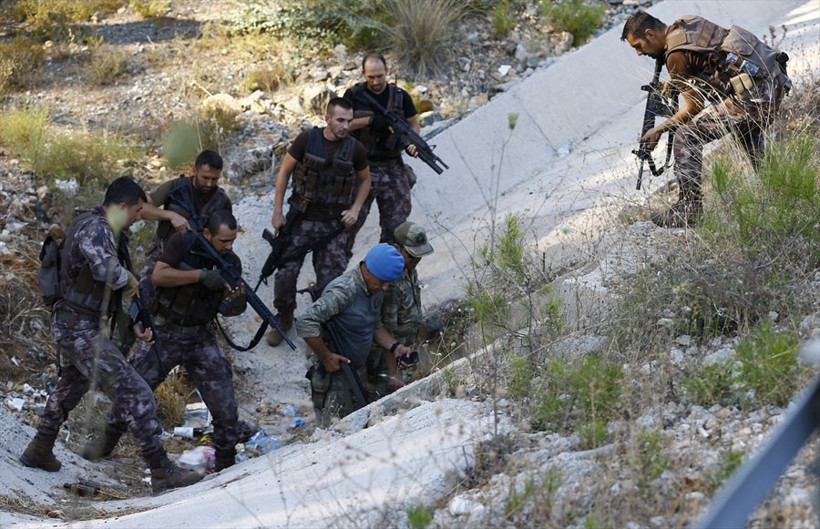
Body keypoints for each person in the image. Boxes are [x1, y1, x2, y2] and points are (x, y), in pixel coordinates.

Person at [20, 177, 202, 494]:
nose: (136, 218)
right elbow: (105, 270)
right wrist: (129, 278)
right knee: (137, 392)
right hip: (78, 327)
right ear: (120, 207)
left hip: (77, 324)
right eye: (136, 212)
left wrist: (130, 322)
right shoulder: (97, 228)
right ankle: (161, 471)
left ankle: (40, 448)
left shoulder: (97, 226)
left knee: (69, 388)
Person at [83, 210, 246, 473]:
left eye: (232, 241)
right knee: (133, 392)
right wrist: (201, 276)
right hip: (165, 330)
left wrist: (236, 303)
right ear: (207, 234)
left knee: (225, 403)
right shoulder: (182, 243)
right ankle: (106, 443)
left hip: (200, 336)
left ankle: (227, 462)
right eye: (223, 241)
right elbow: (159, 275)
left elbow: (226, 308)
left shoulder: (230, 263)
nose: (228, 247)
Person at [621, 12, 791, 227]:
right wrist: (678, 81)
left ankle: (689, 209)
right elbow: (713, 59)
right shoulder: (689, 23)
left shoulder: (675, 56)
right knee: (747, 134)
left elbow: (694, 108)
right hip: (773, 83)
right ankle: (779, 189)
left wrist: (659, 130)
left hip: (754, 97)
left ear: (650, 34)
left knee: (686, 136)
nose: (638, 53)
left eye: (638, 46)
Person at [266, 97, 371, 347]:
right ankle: (284, 317)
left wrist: (355, 210)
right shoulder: (307, 139)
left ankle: (322, 322)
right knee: (285, 274)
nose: (345, 126)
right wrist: (278, 211)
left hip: (333, 224)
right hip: (301, 219)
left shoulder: (355, 149)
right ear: (327, 118)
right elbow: (284, 172)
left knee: (331, 280)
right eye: (340, 120)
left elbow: (365, 180)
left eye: (349, 121)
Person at [296, 243, 409, 427]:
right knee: (334, 432)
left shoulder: (375, 289)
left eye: (389, 282)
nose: (386, 287)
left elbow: (375, 326)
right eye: (383, 281)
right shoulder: (344, 291)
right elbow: (305, 321)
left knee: (360, 426)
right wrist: (326, 357)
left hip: (356, 372)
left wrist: (395, 347)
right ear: (367, 271)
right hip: (333, 378)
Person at [342, 53, 420, 260]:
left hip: (393, 165)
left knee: (396, 225)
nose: (375, 82)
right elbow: (340, 124)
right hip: (362, 167)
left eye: (379, 76)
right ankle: (332, 275)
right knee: (349, 223)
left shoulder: (400, 96)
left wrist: (412, 141)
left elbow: (413, 121)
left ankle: (385, 271)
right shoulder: (353, 95)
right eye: (371, 77)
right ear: (363, 74)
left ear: (387, 72)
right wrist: (369, 121)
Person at [139, 150, 232, 309]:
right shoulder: (175, 187)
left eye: (214, 179)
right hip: (164, 255)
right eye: (205, 178)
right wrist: (170, 215)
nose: (209, 184)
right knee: (144, 296)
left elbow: (224, 236)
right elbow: (141, 208)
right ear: (194, 171)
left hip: (196, 262)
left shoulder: (222, 201)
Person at [368, 221, 434, 397]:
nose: (417, 260)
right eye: (412, 255)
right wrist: (393, 371)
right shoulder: (391, 281)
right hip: (386, 359)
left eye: (419, 255)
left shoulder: (409, 268)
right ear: (398, 248)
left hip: (402, 353)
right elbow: (384, 328)